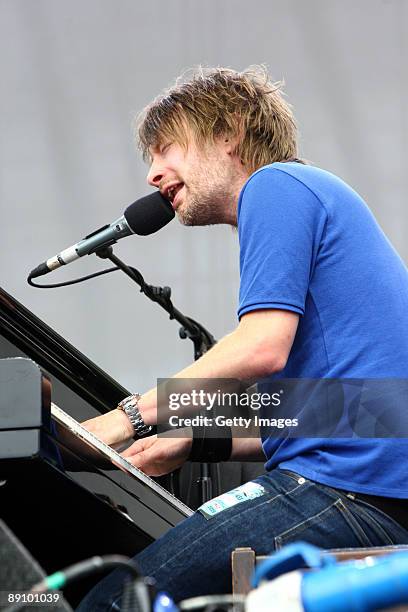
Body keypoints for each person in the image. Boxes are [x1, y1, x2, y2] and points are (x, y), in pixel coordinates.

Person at [77, 66, 408, 609]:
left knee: (113, 601)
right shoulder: (311, 194)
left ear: (228, 133)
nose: (152, 175)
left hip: (341, 494)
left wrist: (126, 418)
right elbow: (346, 411)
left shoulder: (275, 186)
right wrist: (197, 436)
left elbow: (261, 345)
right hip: (377, 502)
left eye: (165, 149)